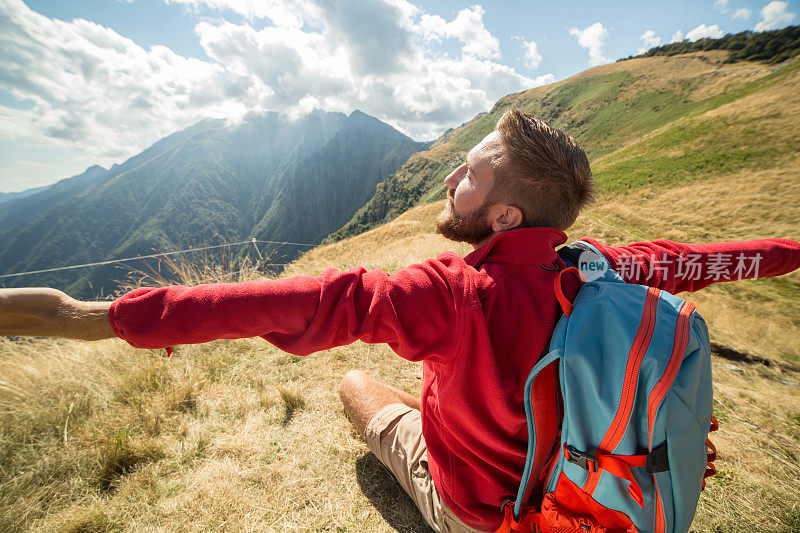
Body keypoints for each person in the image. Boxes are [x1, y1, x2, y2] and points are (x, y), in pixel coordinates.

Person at [1, 108, 799, 532]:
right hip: (571, 489)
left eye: (471, 174)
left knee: (354, 382)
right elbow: (709, 256)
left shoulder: (451, 293)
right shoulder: (602, 268)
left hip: (475, 512)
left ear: (504, 212)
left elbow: (309, 303)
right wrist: (790, 249)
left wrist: (101, 318)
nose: (453, 175)